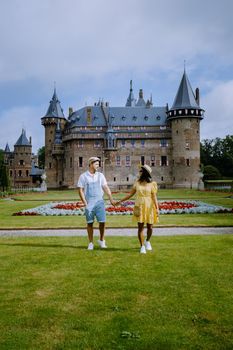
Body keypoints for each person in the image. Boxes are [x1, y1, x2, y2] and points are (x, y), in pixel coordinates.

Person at [116, 165, 159, 254]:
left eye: (141, 171)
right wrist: (120, 201)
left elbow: (154, 197)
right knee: (140, 228)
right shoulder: (137, 183)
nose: (139, 172)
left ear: (145, 173)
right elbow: (130, 194)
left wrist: (157, 208)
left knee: (150, 227)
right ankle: (142, 246)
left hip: (150, 207)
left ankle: (147, 241)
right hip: (139, 206)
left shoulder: (152, 184)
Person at [77, 157, 115, 250]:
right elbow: (80, 190)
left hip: (99, 202)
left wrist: (111, 198)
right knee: (90, 223)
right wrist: (85, 203)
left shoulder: (100, 175)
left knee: (102, 222)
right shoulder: (83, 176)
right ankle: (90, 243)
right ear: (90, 164)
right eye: (96, 164)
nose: (98, 165)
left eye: (98, 164)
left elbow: (105, 187)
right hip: (89, 203)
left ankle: (102, 240)